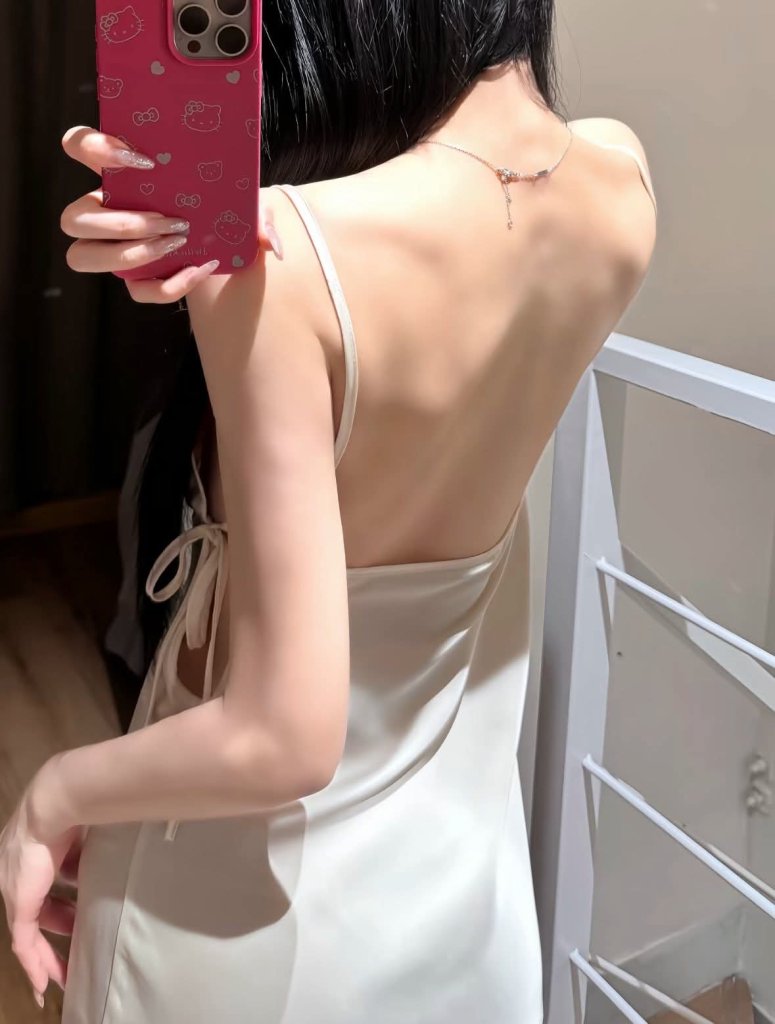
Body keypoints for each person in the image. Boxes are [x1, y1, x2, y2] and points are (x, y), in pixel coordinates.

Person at [0, 0, 657, 1020]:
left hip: (252, 921)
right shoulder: (619, 175)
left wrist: (53, 793)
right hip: (462, 890)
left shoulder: (285, 256)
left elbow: (284, 735)